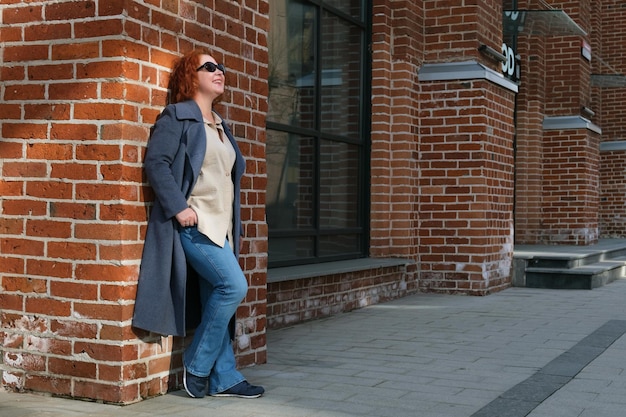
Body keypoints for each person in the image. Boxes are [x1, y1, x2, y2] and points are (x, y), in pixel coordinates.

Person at [132, 48, 264, 399]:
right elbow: (157, 164)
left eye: (221, 66)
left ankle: (225, 377)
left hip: (221, 230)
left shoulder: (220, 125)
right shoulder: (177, 117)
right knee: (233, 287)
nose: (219, 71)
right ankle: (197, 362)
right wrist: (179, 207)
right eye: (209, 67)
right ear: (191, 77)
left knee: (215, 298)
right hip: (195, 225)